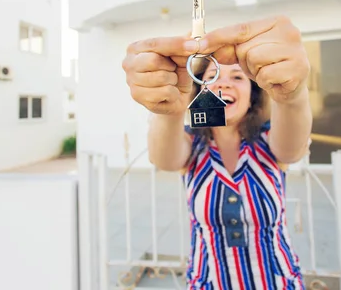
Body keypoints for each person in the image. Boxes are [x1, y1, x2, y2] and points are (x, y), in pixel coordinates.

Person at [122, 16, 313, 289]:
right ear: (198, 91)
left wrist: (292, 96)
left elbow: (291, 148)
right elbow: (164, 158)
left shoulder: (270, 138)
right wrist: (170, 108)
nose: (223, 84)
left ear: (252, 93)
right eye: (211, 77)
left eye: (237, 76)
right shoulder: (191, 146)